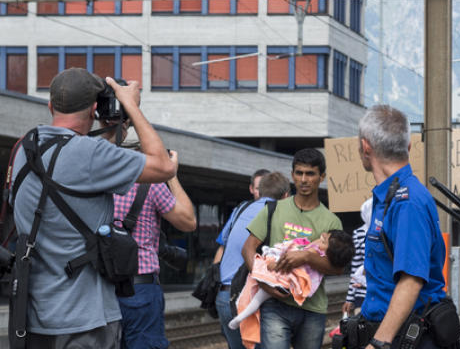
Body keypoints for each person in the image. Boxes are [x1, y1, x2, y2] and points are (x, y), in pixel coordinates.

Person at [10, 68, 177, 347]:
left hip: (33, 317)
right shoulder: (90, 154)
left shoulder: (24, 148)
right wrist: (131, 107)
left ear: (50, 106)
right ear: (94, 111)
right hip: (84, 321)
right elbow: (164, 166)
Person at [357, 104, 448, 349]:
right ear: (408, 146)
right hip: (392, 330)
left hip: (405, 337)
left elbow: (411, 280)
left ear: (366, 147)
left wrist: (378, 344)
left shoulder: (407, 202)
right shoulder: (391, 196)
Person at [242, 150, 345, 349]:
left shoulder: (331, 221)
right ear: (292, 175)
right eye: (299, 173)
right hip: (274, 304)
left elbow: (337, 268)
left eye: (310, 174)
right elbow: (248, 248)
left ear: (322, 177)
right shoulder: (274, 209)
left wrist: (306, 256)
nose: (304, 180)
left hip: (312, 309)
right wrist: (262, 283)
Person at [113, 168, 197, 349]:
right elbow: (188, 221)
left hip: (101, 288)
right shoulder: (151, 186)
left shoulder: (99, 180)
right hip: (140, 287)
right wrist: (171, 175)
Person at [213, 171, 291, 349]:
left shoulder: (240, 209)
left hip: (224, 296)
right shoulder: (280, 214)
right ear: (286, 195)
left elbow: (223, 247)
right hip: (249, 298)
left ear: (260, 191)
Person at [230, 230, 353, 332]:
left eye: (323, 241)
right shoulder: (320, 255)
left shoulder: (314, 252)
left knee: (258, 295)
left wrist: (276, 264)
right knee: (257, 294)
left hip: (284, 276)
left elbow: (291, 261)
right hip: (286, 279)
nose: (321, 237)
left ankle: (241, 315)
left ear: (327, 253)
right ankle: (241, 313)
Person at [342, 198, 373, 318]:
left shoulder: (392, 232)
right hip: (362, 295)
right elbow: (355, 268)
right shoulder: (359, 233)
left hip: (385, 293)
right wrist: (349, 299)